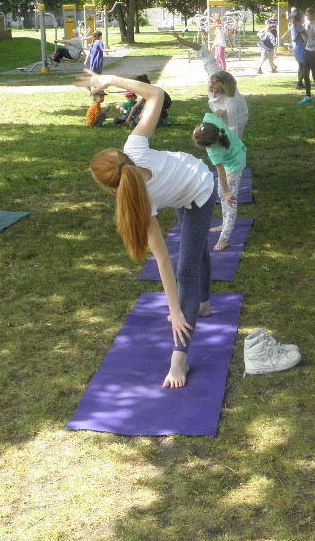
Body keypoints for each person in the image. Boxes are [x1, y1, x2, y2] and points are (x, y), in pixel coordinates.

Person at [82, 72, 215, 389]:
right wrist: (111, 80)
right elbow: (155, 93)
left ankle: (180, 355)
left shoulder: (136, 159)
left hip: (199, 187)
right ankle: (204, 303)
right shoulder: (136, 184)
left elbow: (169, 264)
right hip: (183, 186)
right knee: (195, 251)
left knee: (188, 265)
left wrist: (177, 313)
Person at [172, 34, 250, 138]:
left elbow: (232, 129)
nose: (212, 90)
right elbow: (206, 54)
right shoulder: (215, 75)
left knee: (231, 141)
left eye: (216, 91)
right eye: (211, 86)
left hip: (238, 119)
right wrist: (186, 43)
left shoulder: (232, 102)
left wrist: (230, 145)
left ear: (225, 90)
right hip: (221, 112)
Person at [192, 112, 247, 251]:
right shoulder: (209, 121)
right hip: (234, 153)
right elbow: (218, 112)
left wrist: (228, 192)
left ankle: (225, 237)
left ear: (207, 145)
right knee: (221, 193)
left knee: (229, 200)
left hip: (235, 163)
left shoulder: (213, 150)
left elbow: (220, 171)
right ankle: (225, 224)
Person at [298, 7, 315, 105]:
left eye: (308, 14)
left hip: (313, 51)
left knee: (314, 75)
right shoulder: (309, 24)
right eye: (306, 15)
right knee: (305, 74)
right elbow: (307, 37)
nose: (307, 16)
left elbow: (313, 35)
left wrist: (305, 30)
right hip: (307, 50)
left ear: (313, 14)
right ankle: (308, 96)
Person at [284, 12, 307, 89]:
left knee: (300, 66)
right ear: (300, 18)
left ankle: (300, 83)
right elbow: (303, 35)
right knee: (305, 66)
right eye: (303, 18)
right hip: (302, 47)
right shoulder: (299, 27)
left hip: (297, 47)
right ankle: (299, 83)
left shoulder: (293, 26)